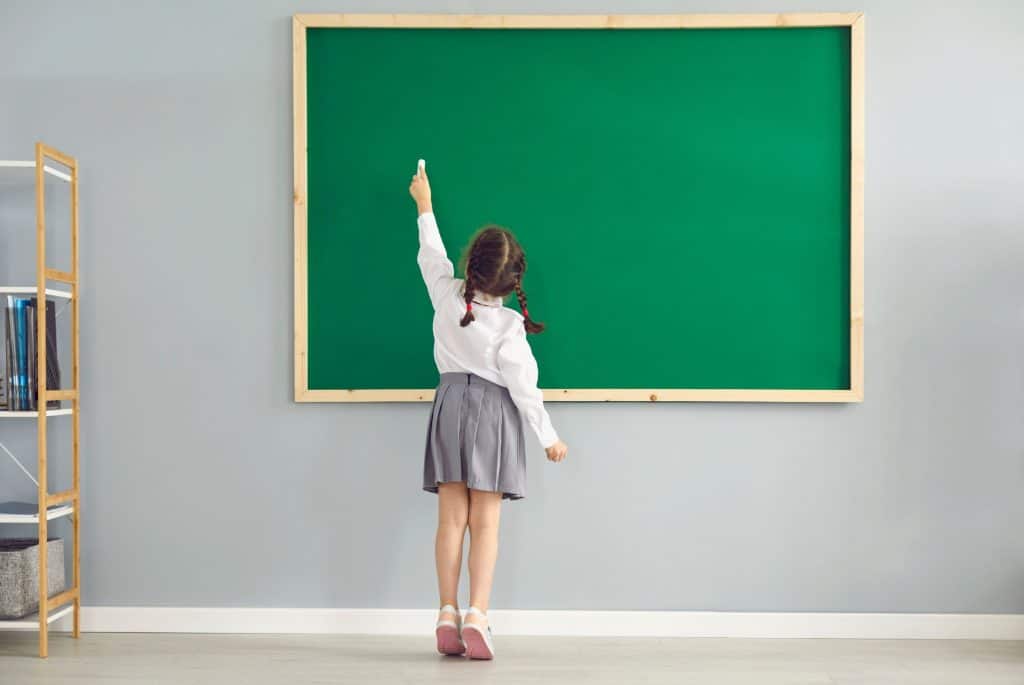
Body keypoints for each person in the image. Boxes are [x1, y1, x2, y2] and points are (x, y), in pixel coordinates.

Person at [410, 162, 569, 660]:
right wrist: (548, 437)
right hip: (492, 415)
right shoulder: (509, 326)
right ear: (512, 278)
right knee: (487, 524)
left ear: (471, 267)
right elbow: (524, 387)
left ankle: (445, 610)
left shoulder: (446, 296)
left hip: (448, 406)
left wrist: (425, 206)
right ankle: (478, 613)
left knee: (449, 520)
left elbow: (431, 258)